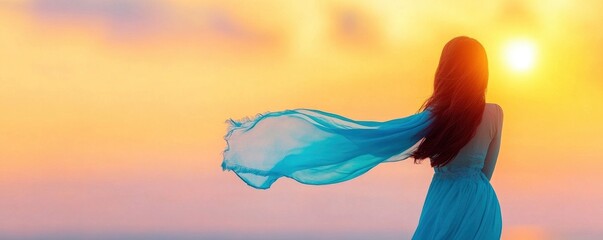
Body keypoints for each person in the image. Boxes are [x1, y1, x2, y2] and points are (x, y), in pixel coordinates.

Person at [222, 36, 503, 240]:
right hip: (481, 204)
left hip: (444, 200)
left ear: (446, 72)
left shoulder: (435, 117)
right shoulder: (495, 114)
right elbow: (486, 173)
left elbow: (375, 137)